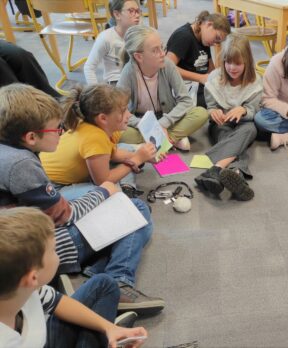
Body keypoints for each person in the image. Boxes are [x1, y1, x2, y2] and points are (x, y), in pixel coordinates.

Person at [0, 84, 165, 315]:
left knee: (132, 216)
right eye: (55, 129)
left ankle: (98, 267)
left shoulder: (9, 152)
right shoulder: (21, 165)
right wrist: (104, 191)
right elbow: (64, 216)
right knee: (136, 211)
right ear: (30, 137)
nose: (60, 132)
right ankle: (118, 280)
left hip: (17, 240)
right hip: (34, 253)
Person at [0, 207, 148, 348]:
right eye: (53, 251)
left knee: (104, 284)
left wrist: (109, 328)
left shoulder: (27, 289)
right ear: (32, 278)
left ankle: (107, 334)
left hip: (39, 338)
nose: (57, 254)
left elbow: (57, 302)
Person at [40, 84, 156, 201]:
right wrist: (137, 159)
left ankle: (127, 189)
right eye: (123, 111)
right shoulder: (95, 137)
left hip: (64, 174)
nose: (129, 114)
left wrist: (142, 157)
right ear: (103, 118)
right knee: (109, 189)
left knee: (127, 149)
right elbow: (103, 181)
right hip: (53, 188)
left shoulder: (101, 126)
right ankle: (125, 193)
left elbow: (113, 154)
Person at [117, 25, 209, 150]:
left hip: (168, 117)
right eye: (155, 50)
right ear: (139, 57)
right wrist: (145, 126)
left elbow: (186, 101)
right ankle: (172, 138)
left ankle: (154, 141)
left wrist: (162, 124)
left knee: (201, 113)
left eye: (162, 47)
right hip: (141, 122)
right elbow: (120, 110)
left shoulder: (168, 65)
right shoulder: (128, 73)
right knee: (117, 132)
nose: (162, 54)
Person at [195, 33, 261, 201]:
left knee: (250, 129)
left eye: (238, 63)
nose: (232, 67)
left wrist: (244, 110)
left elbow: (256, 111)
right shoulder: (214, 78)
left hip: (243, 124)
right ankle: (236, 172)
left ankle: (215, 170)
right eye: (228, 62)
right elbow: (210, 107)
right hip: (221, 124)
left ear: (247, 62)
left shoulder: (255, 81)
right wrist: (213, 112)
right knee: (228, 136)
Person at [166, 11, 231, 108]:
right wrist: (200, 78)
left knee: (228, 95)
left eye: (218, 42)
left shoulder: (204, 39)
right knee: (218, 104)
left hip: (198, 84)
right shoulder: (184, 36)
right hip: (183, 87)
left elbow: (210, 68)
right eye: (216, 38)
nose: (214, 44)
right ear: (209, 24)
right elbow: (167, 68)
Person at [84, 0, 141, 85]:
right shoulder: (106, 38)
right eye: (131, 11)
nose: (137, 15)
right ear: (117, 14)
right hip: (116, 83)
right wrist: (96, 94)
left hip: (137, 80)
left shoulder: (140, 35)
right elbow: (89, 67)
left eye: (137, 11)